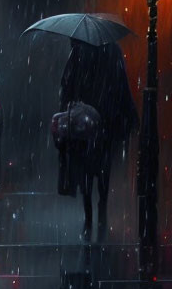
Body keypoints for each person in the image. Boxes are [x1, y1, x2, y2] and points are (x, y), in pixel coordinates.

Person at [59, 40, 138, 240]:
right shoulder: (112, 50)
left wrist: (67, 108)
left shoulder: (78, 51)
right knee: (103, 165)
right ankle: (101, 208)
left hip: (85, 119)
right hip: (106, 116)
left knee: (85, 164)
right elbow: (122, 84)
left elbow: (67, 82)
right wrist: (129, 114)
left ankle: (89, 212)